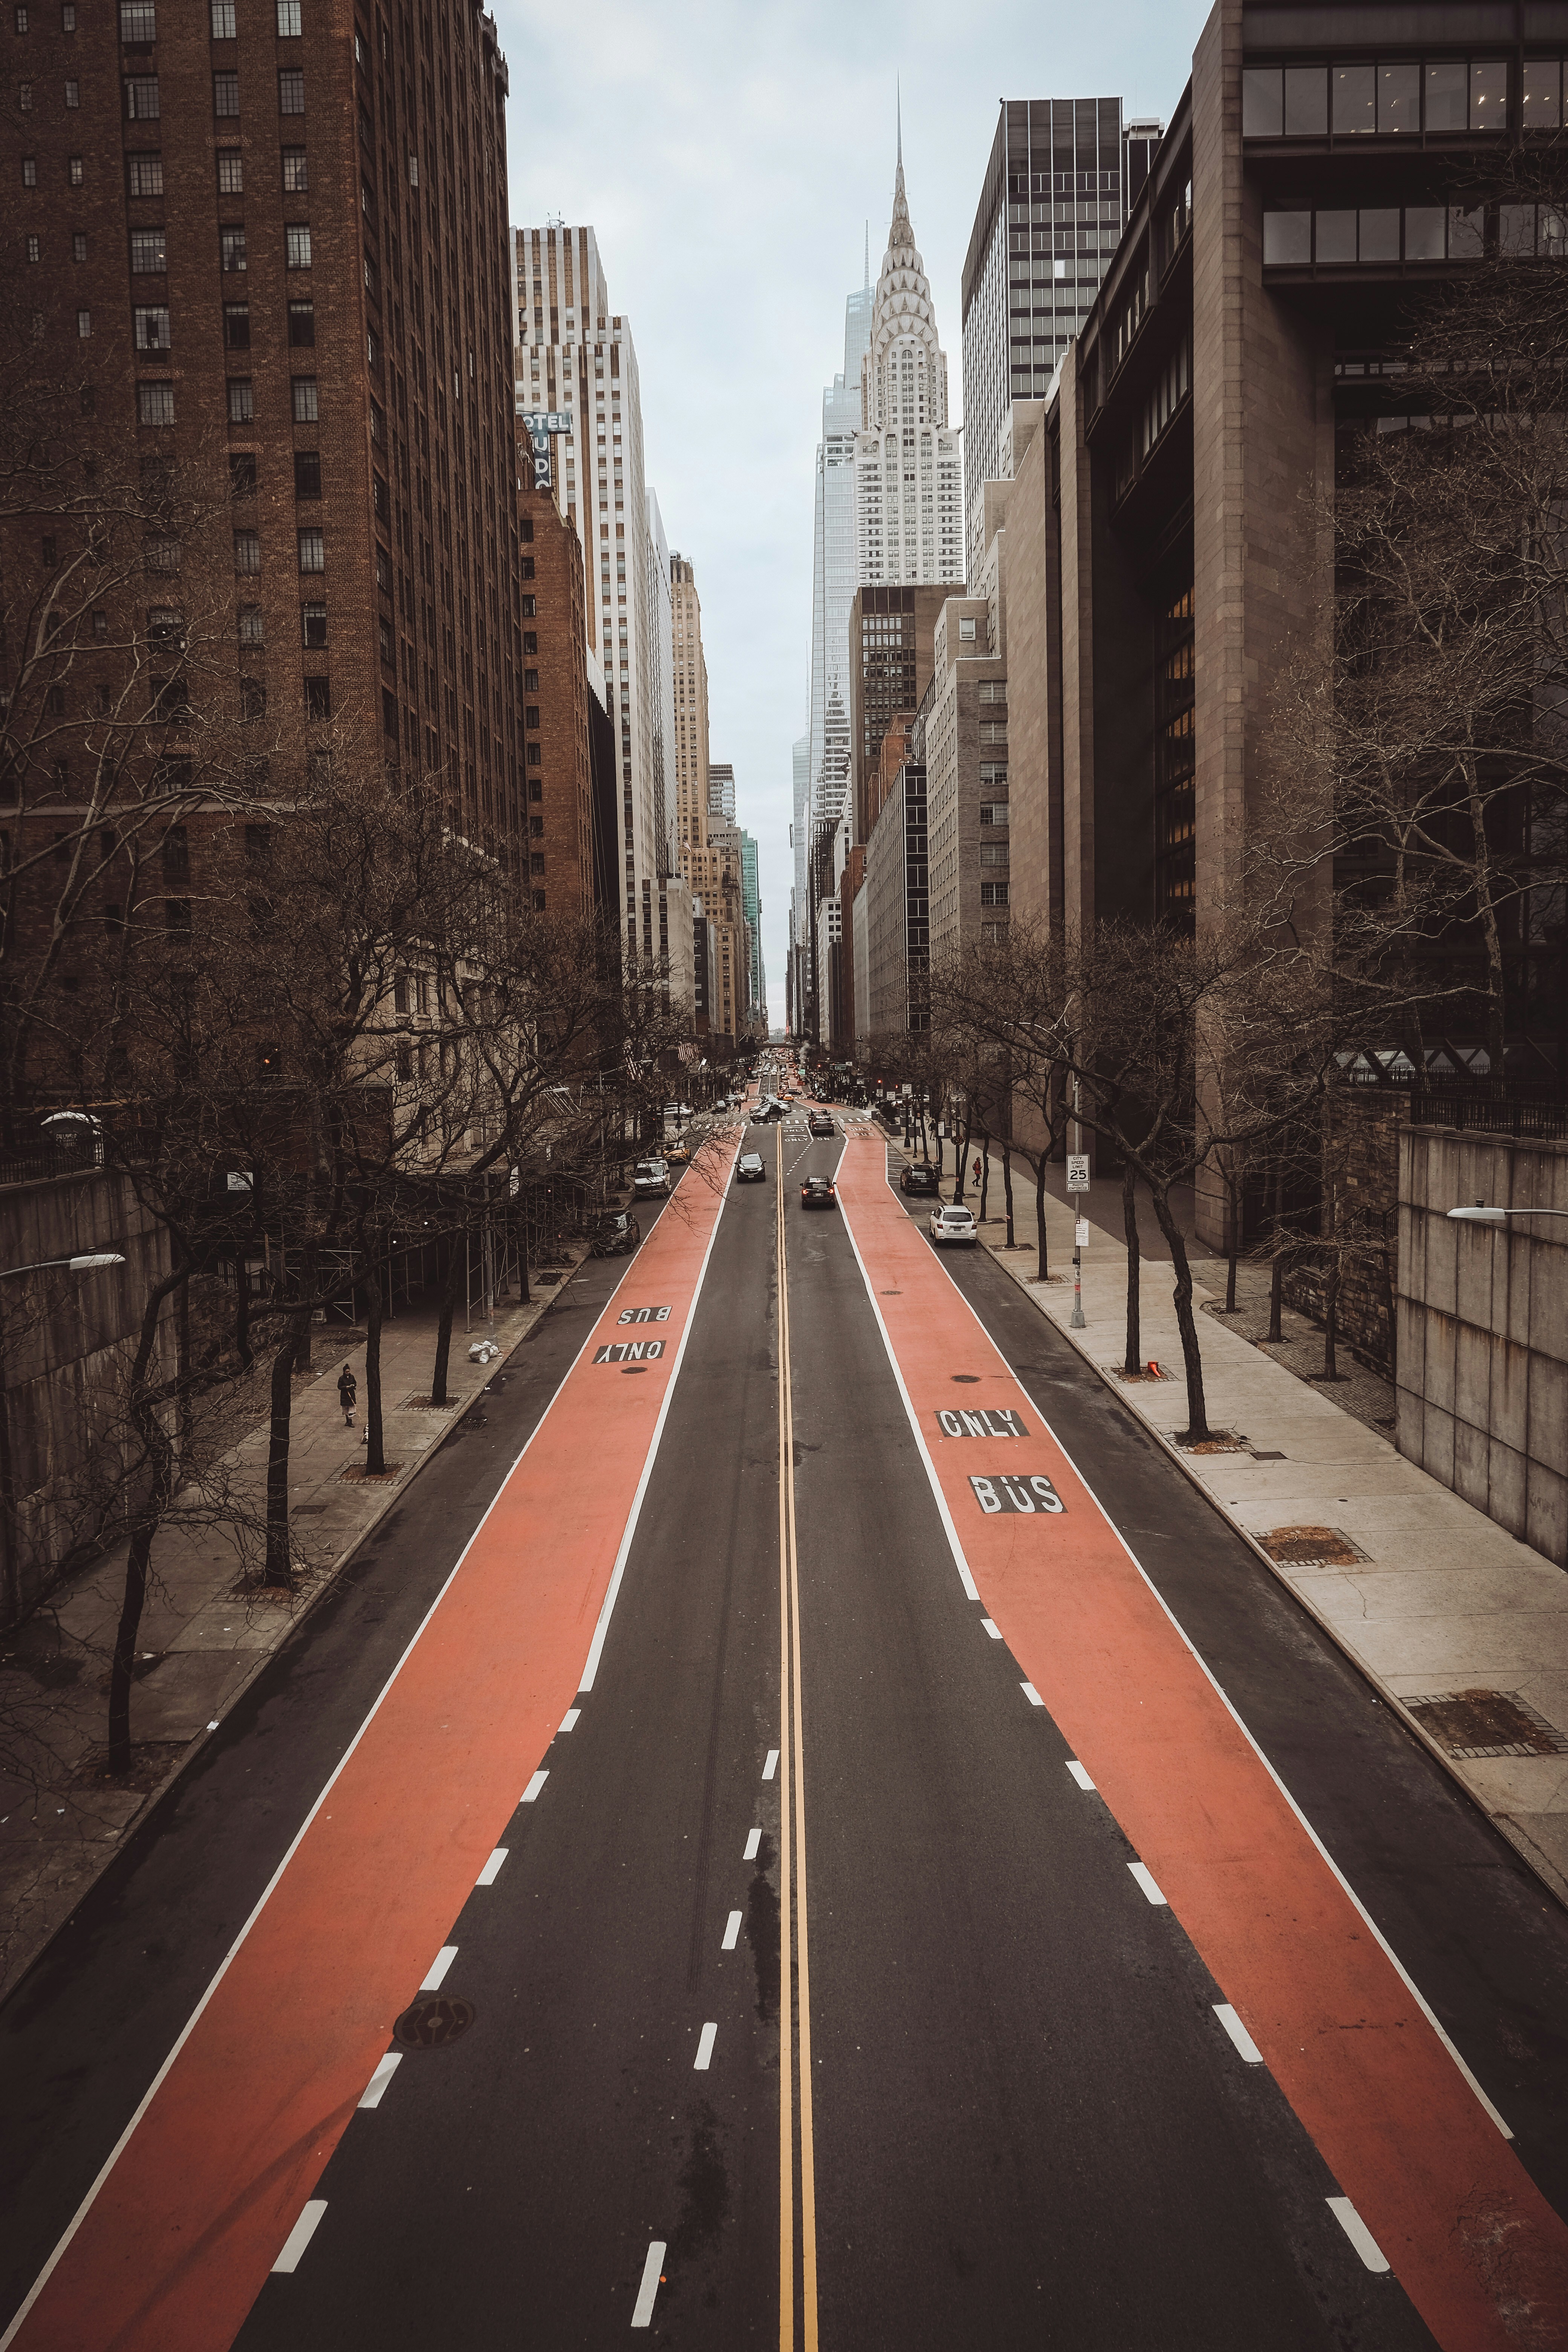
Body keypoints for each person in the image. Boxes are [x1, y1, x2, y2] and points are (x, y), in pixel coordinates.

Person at [337, 1362, 357, 1428]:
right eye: (347, 1372)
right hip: (345, 1395)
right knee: (346, 1409)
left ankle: (350, 1421)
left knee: (351, 1408)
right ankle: (347, 1421)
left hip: (351, 1394)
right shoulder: (341, 1379)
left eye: (349, 1371)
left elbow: (355, 1383)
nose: (348, 1373)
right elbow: (339, 1387)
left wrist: (353, 1386)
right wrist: (346, 1387)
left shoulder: (352, 1377)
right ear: (344, 1372)